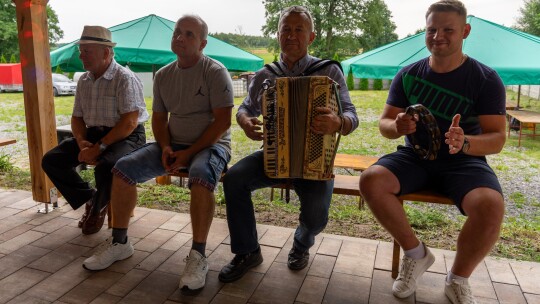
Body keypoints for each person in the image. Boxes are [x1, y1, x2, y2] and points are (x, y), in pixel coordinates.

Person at [359, 1, 506, 303]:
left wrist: (466, 142)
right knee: (371, 180)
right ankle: (416, 255)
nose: (438, 35)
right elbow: (384, 124)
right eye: (431, 29)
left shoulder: (485, 79)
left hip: (464, 162)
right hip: (415, 157)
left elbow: (497, 138)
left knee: (491, 205)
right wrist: (397, 126)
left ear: (465, 31)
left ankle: (457, 278)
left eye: (448, 30)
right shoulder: (408, 74)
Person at [82, 15, 234, 294]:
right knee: (122, 169)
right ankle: (120, 242)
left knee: (200, 176)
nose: (180, 38)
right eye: (177, 32)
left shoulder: (215, 71)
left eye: (189, 34)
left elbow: (223, 122)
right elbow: (158, 119)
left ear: (203, 43)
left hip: (211, 146)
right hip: (172, 144)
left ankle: (198, 255)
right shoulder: (164, 74)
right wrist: (165, 147)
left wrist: (189, 153)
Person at [218, 5, 359, 283]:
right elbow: (245, 109)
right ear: (278, 34)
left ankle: (302, 242)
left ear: (311, 37)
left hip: (316, 160)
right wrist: (245, 121)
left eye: (299, 30)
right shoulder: (265, 74)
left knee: (316, 216)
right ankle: (248, 251)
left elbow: (352, 114)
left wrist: (338, 122)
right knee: (234, 179)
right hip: (273, 155)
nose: (292, 35)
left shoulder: (329, 71)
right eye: (286, 29)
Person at [42, 25, 149, 235]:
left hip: (128, 135)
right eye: (81, 51)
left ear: (106, 52)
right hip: (95, 133)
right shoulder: (84, 80)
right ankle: (90, 197)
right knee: (52, 160)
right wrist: (82, 141)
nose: (81, 56)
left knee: (107, 164)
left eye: (87, 51)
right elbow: (77, 117)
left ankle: (98, 208)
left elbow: (129, 122)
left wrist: (99, 147)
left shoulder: (124, 78)